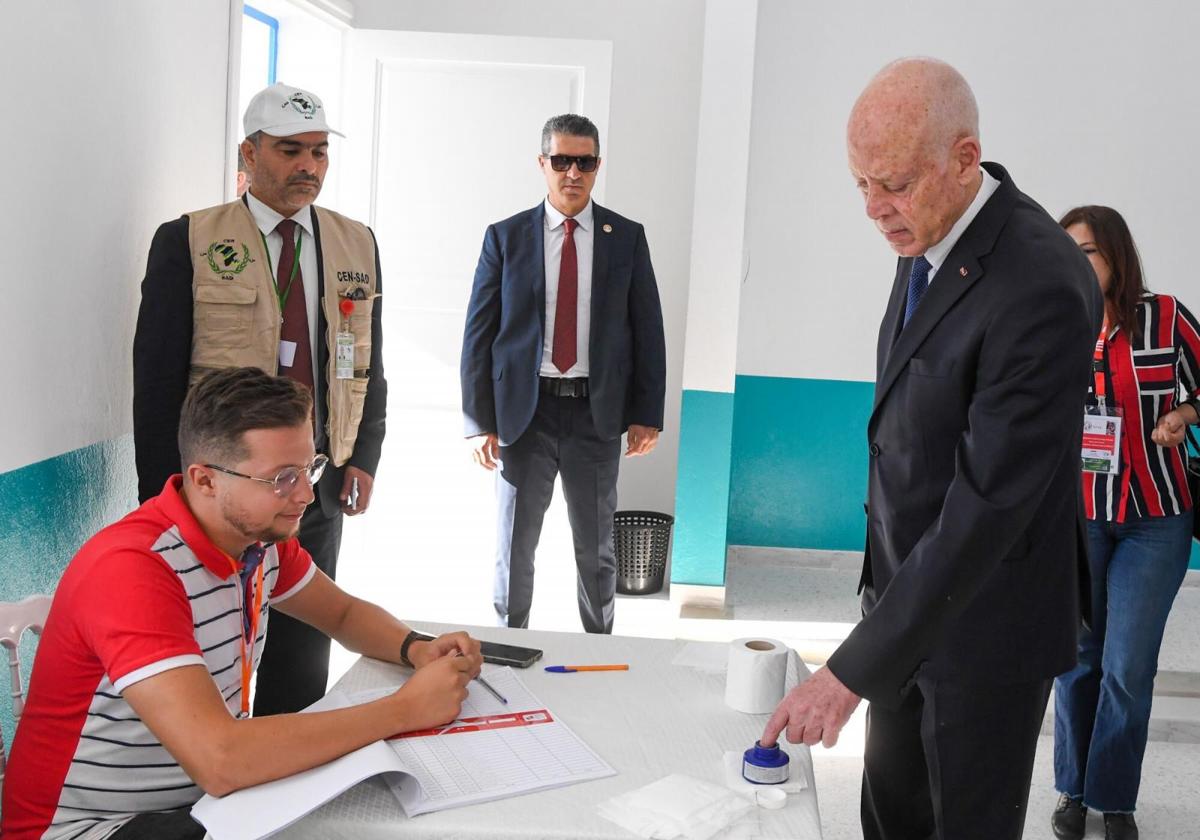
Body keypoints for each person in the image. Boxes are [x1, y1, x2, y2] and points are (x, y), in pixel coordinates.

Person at [761, 58, 1103, 840]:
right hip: (908, 610)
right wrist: (881, 628)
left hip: (985, 630)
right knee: (891, 819)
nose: (876, 209)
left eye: (895, 183)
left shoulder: (1040, 280)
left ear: (963, 159)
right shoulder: (929, 231)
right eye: (861, 186)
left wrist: (847, 671)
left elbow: (988, 504)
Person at [0, 368, 480, 840]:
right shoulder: (133, 570)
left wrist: (416, 648)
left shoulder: (258, 539)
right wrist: (404, 710)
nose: (307, 495)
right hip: (88, 828)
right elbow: (221, 759)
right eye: (282, 478)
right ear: (205, 480)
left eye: (309, 468)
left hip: (200, 804)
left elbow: (342, 614)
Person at [133, 82, 387, 716]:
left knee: (302, 655)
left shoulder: (357, 242)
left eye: (320, 152)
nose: (308, 166)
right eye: (290, 150)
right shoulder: (188, 239)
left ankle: (288, 781)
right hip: (216, 494)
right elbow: (156, 378)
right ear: (248, 153)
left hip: (312, 488)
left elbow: (367, 360)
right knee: (209, 653)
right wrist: (158, 494)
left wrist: (364, 456)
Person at [460, 114, 666, 634]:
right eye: (561, 161)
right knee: (515, 541)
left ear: (597, 166)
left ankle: (599, 642)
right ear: (542, 164)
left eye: (585, 162)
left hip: (594, 415)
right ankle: (510, 638)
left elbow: (648, 331)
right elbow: (478, 336)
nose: (572, 172)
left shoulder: (627, 238)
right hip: (523, 416)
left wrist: (646, 415)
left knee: (596, 545)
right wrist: (477, 420)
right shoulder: (505, 238)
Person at [1050, 206, 1200, 840]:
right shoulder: (1055, 320)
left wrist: (1186, 413)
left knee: (1128, 666)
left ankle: (1114, 798)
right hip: (1079, 514)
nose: (1073, 263)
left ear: (1114, 254)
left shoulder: (1165, 316)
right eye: (1066, 251)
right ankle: (1072, 792)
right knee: (1076, 658)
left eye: (1084, 251)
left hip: (1155, 520)